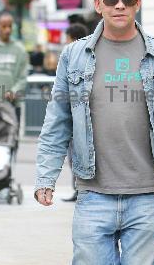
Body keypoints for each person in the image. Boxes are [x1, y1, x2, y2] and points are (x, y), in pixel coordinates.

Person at [35, 0, 154, 264]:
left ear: (138, 2)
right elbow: (57, 122)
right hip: (93, 195)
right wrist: (46, 178)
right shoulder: (73, 56)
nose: (119, 4)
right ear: (98, 5)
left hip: (148, 196)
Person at [62, 23, 88, 202]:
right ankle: (80, 189)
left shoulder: (73, 56)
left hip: (76, 113)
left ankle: (80, 189)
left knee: (76, 154)